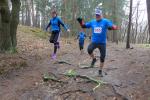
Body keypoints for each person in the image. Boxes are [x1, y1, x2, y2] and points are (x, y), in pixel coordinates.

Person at [77, 8, 119, 77]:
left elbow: (112, 26)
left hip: (102, 43)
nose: (97, 16)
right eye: (96, 15)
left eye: (98, 15)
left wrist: (113, 27)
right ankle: (94, 59)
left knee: (102, 57)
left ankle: (100, 71)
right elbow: (84, 26)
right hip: (94, 42)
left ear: (101, 15)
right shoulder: (92, 22)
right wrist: (80, 22)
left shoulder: (105, 21)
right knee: (89, 50)